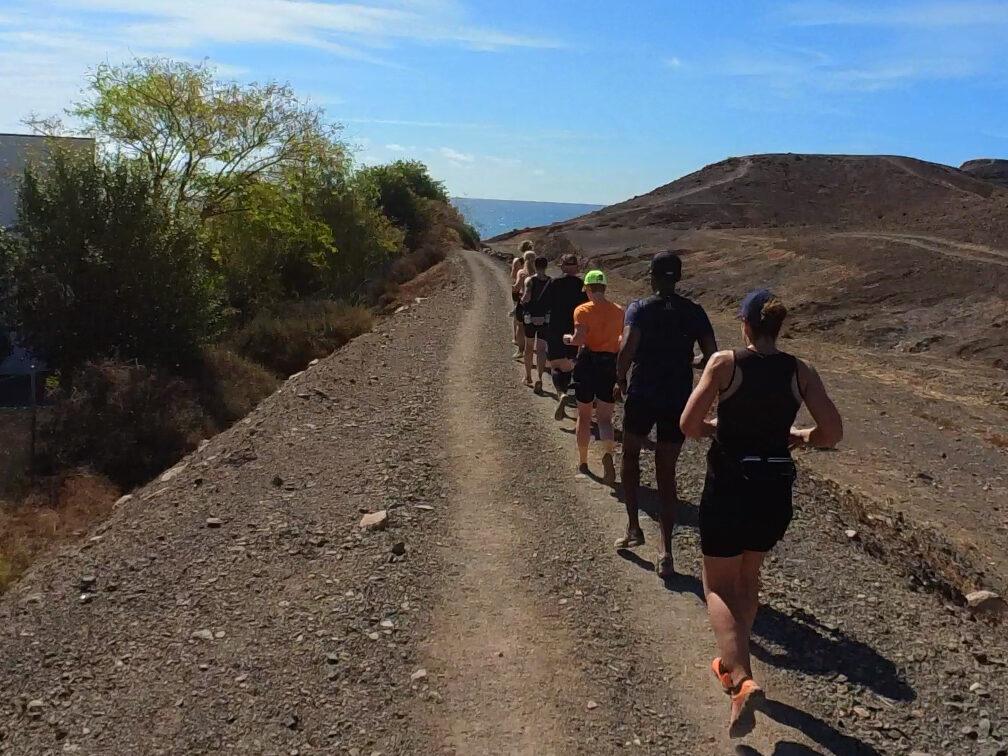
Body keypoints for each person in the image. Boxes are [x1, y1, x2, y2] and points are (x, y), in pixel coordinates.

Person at [680, 289, 842, 738]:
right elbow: (832, 432)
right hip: (774, 492)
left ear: (746, 326)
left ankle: (742, 678)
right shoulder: (800, 370)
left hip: (730, 486)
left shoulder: (725, 364)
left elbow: (689, 425)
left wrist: (717, 427)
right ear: (778, 327)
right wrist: (800, 437)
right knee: (748, 578)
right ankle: (735, 673)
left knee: (715, 583)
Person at [615, 251, 717, 578]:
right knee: (667, 473)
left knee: (630, 457)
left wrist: (619, 379)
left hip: (643, 394)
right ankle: (666, 551)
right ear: (679, 278)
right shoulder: (694, 312)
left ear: (652, 277)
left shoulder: (640, 309)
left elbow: (628, 349)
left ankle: (633, 528)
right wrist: (692, 361)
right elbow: (712, 355)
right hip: (677, 397)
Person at [563, 270, 623, 482]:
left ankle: (583, 461)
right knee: (605, 418)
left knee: (584, 416)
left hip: (587, 363)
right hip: (609, 364)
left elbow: (579, 339)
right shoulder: (619, 311)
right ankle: (607, 454)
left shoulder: (582, 310)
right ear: (604, 288)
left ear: (588, 288)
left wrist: (568, 339)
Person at [541, 253, 588, 419]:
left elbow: (543, 303)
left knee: (555, 365)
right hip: (575, 330)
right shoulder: (582, 285)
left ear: (562, 266)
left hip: (555, 329)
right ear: (576, 267)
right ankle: (566, 389)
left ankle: (561, 393)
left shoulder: (554, 282)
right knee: (568, 364)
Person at [521, 255, 552, 391]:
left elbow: (525, 297)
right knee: (541, 349)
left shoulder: (530, 280)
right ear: (546, 266)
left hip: (530, 319)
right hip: (545, 320)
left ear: (534, 265)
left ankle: (528, 377)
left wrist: (522, 301)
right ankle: (539, 377)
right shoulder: (551, 282)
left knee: (529, 347)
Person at [513, 245, 536, 360]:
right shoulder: (539, 275)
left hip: (522, 303)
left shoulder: (521, 272)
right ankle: (530, 352)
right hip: (536, 304)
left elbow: (516, 288)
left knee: (520, 327)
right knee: (532, 331)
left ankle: (520, 350)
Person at [509, 257, 524, 358]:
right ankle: (517, 338)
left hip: (518, 289)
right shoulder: (528, 263)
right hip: (520, 288)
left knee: (517, 315)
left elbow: (513, 274)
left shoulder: (517, 260)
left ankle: (517, 339)